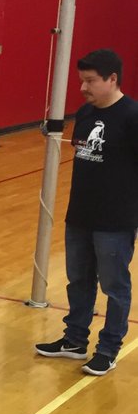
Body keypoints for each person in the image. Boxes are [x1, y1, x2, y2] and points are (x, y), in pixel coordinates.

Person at [36, 49, 138, 376]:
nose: (83, 87)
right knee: (78, 280)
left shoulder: (132, 116)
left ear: (112, 79)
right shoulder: (84, 113)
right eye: (82, 80)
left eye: (91, 81)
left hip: (115, 221)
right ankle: (74, 340)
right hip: (79, 216)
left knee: (114, 287)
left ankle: (108, 349)